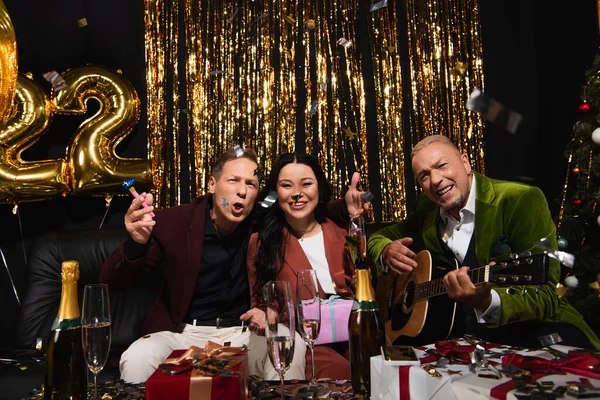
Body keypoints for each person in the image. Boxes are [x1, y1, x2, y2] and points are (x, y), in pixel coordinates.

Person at [100, 147, 368, 382]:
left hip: (244, 334)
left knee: (290, 345)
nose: (242, 190)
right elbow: (111, 283)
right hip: (183, 332)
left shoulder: (261, 222)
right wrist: (135, 243)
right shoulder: (173, 223)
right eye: (233, 180)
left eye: (251, 184)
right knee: (136, 358)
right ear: (212, 184)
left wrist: (344, 209)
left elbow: (304, 205)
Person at [368, 135, 600, 350]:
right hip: (463, 340)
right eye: (424, 175)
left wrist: (487, 300)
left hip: (536, 336)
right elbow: (377, 236)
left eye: (442, 165)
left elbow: (545, 297)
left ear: (466, 163)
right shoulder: (426, 208)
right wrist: (385, 250)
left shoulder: (521, 200)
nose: (436, 180)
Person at [247, 152, 358, 381]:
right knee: (341, 372)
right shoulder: (262, 243)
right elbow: (261, 301)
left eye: (306, 184)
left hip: (353, 334)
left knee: (377, 363)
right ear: (276, 193)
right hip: (306, 343)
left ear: (319, 187)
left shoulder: (345, 235)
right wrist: (265, 312)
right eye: (287, 186)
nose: (297, 194)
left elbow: (365, 292)